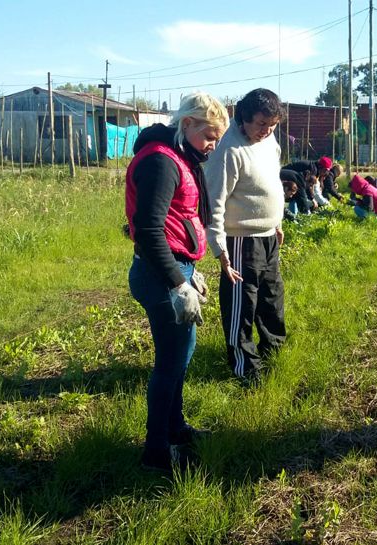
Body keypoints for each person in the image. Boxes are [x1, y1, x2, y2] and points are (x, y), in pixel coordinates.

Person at [125, 91, 229, 471]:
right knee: (169, 364)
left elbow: (175, 222)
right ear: (187, 124)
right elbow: (149, 231)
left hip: (174, 269)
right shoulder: (161, 162)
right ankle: (156, 451)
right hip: (160, 277)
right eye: (209, 136)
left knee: (180, 358)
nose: (213, 146)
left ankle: (175, 428)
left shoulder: (178, 158)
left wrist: (190, 267)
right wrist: (177, 283)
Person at [206, 88, 287, 384]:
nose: (266, 131)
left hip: (268, 236)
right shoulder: (229, 151)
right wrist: (220, 250)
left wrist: (276, 221)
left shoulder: (269, 141)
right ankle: (246, 368)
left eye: (272, 125)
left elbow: (272, 181)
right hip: (241, 241)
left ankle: (274, 351)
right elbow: (214, 201)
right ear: (243, 118)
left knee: (272, 298)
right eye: (260, 125)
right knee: (242, 306)